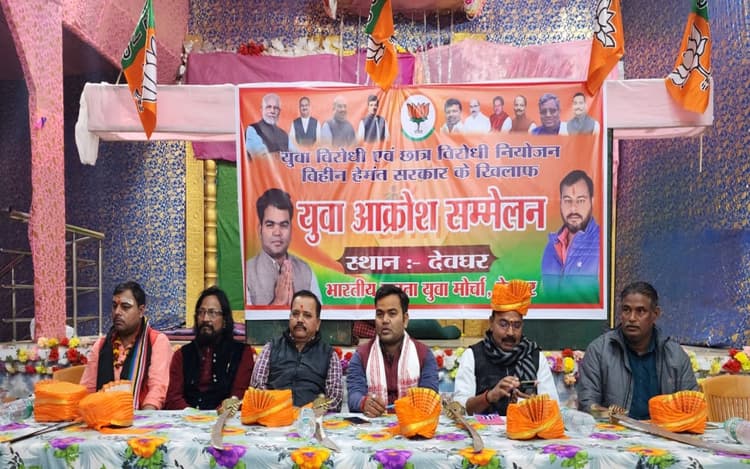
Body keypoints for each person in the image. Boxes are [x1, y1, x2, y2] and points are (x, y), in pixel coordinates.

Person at [577, 282, 698, 420]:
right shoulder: (599, 351)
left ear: (655, 314)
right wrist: (617, 418)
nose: (632, 318)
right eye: (626, 310)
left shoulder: (675, 356)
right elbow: (587, 405)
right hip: (614, 429)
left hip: (664, 430)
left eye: (640, 311)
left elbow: (692, 406)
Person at [453, 280, 559, 416]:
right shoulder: (473, 355)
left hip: (526, 427)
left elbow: (554, 408)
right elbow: (460, 409)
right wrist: (489, 397)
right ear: (491, 323)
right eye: (503, 324)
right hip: (481, 429)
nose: (510, 332)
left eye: (516, 326)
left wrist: (533, 404)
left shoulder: (535, 356)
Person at [347, 284, 439, 417]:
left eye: (392, 313)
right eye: (380, 314)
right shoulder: (361, 355)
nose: (385, 320)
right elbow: (354, 396)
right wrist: (364, 403)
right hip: (373, 427)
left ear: (405, 320)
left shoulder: (423, 355)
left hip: (412, 425)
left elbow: (429, 397)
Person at [80, 281, 172, 410]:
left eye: (125, 307)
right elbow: (87, 389)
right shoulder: (101, 345)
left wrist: (146, 417)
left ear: (141, 311)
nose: (117, 312)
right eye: (114, 306)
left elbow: (157, 389)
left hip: (143, 417)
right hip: (104, 416)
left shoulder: (156, 341)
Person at [165, 286, 255, 410]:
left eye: (212, 313)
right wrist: (192, 415)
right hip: (186, 417)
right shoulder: (182, 354)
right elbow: (173, 398)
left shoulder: (242, 353)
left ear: (224, 320)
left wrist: (216, 415)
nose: (205, 319)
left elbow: (238, 396)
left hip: (225, 418)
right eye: (201, 312)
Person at [250, 290, 342, 410]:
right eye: (295, 314)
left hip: (312, 417)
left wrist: (308, 412)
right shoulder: (271, 348)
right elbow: (257, 390)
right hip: (274, 416)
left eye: (307, 315)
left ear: (318, 323)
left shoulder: (329, 355)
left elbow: (335, 400)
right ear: (289, 317)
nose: (300, 320)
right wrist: (279, 410)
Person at [245, 188, 321, 306]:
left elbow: (318, 313)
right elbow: (246, 318)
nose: (277, 232)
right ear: (260, 230)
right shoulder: (247, 272)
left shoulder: (306, 271)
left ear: (291, 230)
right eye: (270, 225)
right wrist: (279, 302)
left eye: (284, 225)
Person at [541, 170, 600, 278]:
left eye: (580, 200)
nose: (573, 208)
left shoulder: (602, 243)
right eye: (568, 201)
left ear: (592, 202)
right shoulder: (551, 247)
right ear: (561, 203)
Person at [245, 93, 295, 159]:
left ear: (279, 112)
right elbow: (260, 156)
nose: (272, 111)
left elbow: (296, 155)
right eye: (268, 107)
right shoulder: (252, 129)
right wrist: (286, 156)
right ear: (262, 110)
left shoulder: (284, 134)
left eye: (276, 108)